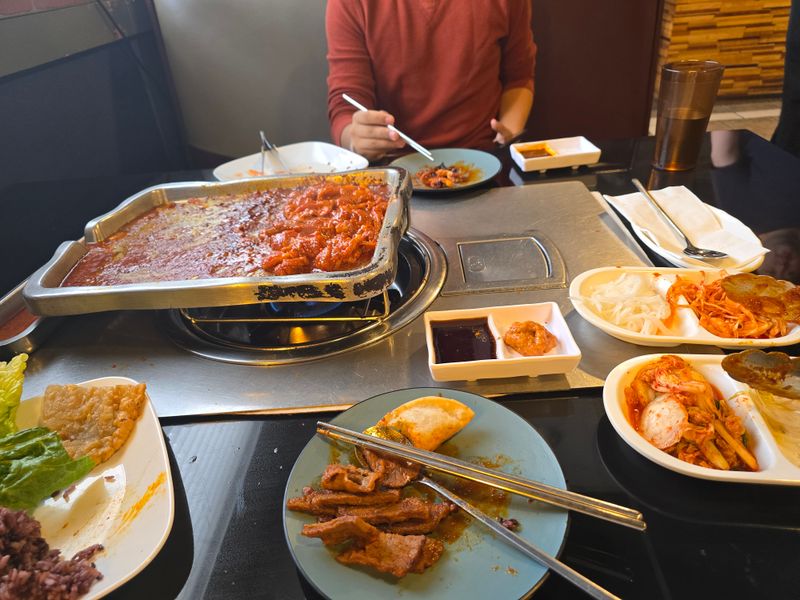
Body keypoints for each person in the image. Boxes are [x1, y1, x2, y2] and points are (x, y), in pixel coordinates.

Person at [325, 0, 537, 161]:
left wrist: (509, 133)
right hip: (394, 165)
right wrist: (356, 140)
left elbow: (519, 76)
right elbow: (346, 103)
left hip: (484, 159)